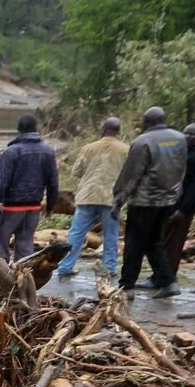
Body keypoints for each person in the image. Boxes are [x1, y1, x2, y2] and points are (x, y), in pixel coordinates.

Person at [112, 107, 188, 297]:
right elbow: (181, 168)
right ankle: (169, 282)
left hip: (144, 202)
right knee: (154, 242)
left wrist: (119, 200)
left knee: (134, 243)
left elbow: (132, 175)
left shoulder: (142, 142)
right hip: (168, 200)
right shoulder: (180, 139)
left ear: (146, 121)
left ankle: (127, 286)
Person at [56, 117, 129, 279]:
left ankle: (65, 267)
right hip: (111, 199)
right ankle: (109, 269)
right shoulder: (126, 150)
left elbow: (77, 171)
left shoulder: (88, 148)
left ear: (103, 130)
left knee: (76, 233)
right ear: (119, 132)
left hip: (87, 197)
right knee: (111, 235)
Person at [0, 114, 59, 263]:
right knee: (25, 246)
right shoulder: (48, 151)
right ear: (35, 128)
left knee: (2, 246)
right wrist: (50, 206)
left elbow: (0, 185)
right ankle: (23, 280)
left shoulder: (12, 152)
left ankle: (0, 281)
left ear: (18, 129)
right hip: (33, 208)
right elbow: (53, 183)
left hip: (12, 208)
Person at [161, 123, 195, 280]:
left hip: (183, 209)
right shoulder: (184, 152)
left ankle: (166, 278)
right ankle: (160, 275)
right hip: (171, 203)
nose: (188, 136)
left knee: (174, 245)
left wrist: (184, 210)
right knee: (165, 241)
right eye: (186, 133)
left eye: (192, 134)